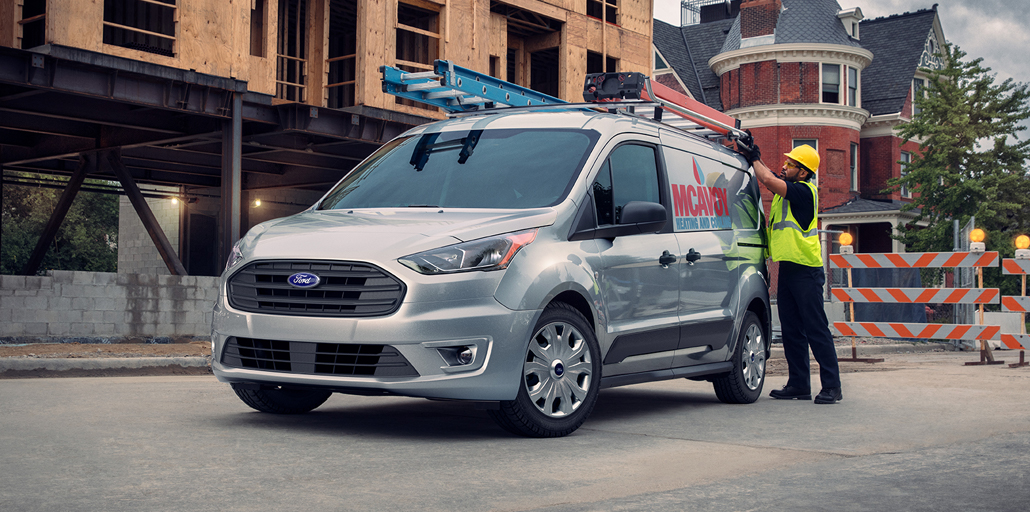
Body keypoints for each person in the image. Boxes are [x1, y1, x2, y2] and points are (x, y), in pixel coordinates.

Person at [736, 137, 842, 404]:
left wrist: (754, 157)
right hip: (790, 270)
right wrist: (753, 157)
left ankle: (832, 386)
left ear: (803, 172)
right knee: (792, 329)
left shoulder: (805, 191)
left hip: (807, 270)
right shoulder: (791, 189)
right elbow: (771, 176)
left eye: (790, 163)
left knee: (816, 328)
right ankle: (799, 384)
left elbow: (769, 180)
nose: (784, 166)